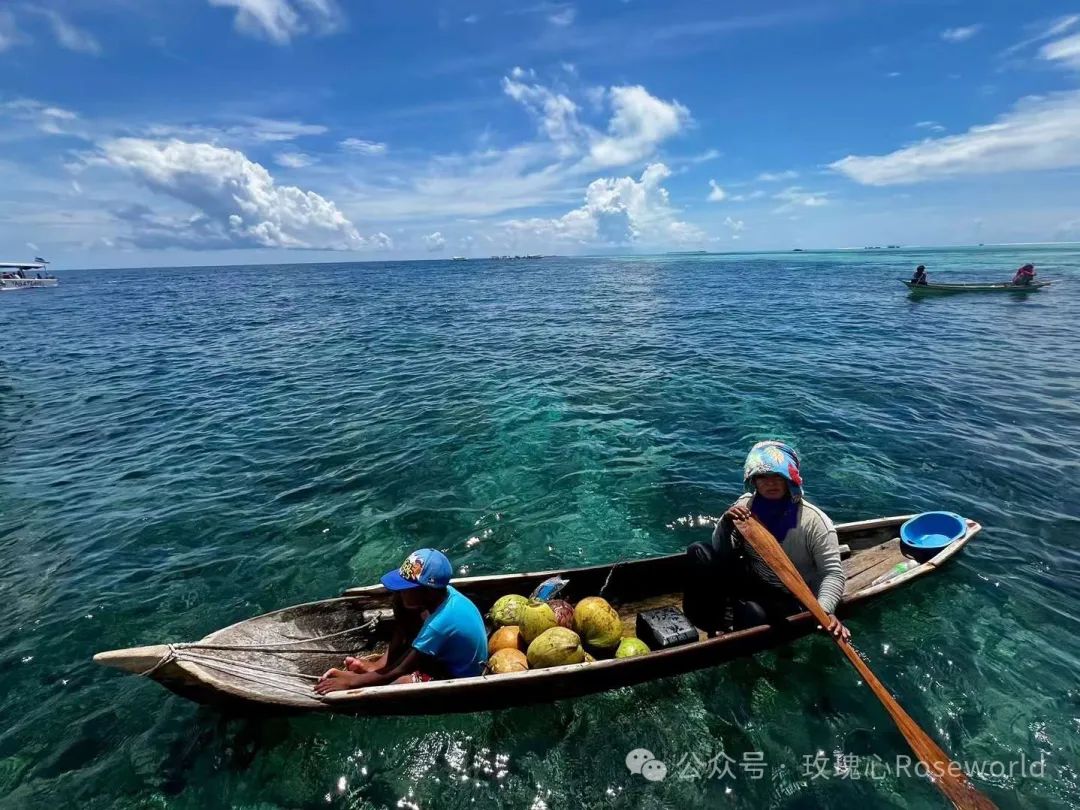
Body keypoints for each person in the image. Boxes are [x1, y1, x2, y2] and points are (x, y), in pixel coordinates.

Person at [683, 441, 849, 641]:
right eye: (763, 477)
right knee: (698, 551)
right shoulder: (746, 505)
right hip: (754, 579)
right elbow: (724, 552)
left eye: (778, 476)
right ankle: (709, 622)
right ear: (753, 480)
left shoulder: (814, 522)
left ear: (790, 479)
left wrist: (823, 611)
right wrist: (726, 523)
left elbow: (832, 574)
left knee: (754, 613)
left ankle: (734, 636)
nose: (771, 483)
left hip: (790, 595)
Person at [314, 548, 487, 694]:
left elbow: (400, 669)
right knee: (399, 604)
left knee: (400, 682)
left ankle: (367, 676)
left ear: (428, 591)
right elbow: (405, 615)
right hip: (446, 651)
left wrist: (350, 684)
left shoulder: (439, 625)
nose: (401, 592)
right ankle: (380, 665)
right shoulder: (443, 592)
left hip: (459, 673)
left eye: (406, 589)